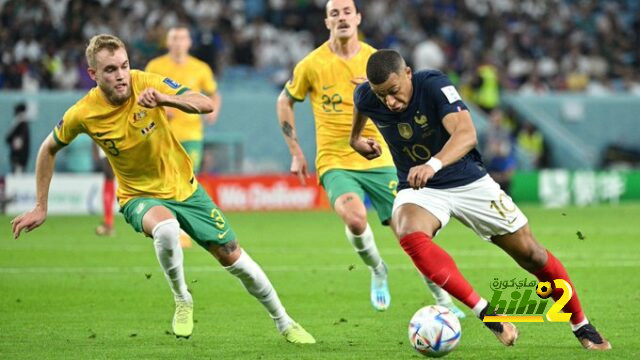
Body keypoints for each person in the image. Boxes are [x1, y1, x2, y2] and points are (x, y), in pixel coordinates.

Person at [10, 34, 315, 344]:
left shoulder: (147, 83)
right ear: (93, 74)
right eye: (111, 70)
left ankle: (284, 321)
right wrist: (40, 205)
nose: (121, 76)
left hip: (185, 188)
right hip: (138, 196)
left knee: (234, 257)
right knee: (167, 229)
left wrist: (166, 99)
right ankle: (182, 296)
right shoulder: (83, 113)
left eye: (124, 66)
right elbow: (48, 148)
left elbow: (205, 103)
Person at [350, 49, 610, 350]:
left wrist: (433, 164)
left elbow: (466, 134)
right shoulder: (368, 96)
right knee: (407, 230)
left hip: (468, 180)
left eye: (394, 92)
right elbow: (361, 103)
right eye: (382, 96)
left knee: (533, 255)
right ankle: (488, 315)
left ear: (408, 73)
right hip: (421, 188)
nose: (389, 102)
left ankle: (581, 324)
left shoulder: (433, 84)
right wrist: (355, 139)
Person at [276, 0, 463, 316]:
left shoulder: (375, 63)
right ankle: (378, 269)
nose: (342, 18)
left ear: (358, 17)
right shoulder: (311, 64)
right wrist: (296, 152)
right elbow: (285, 101)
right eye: (334, 13)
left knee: (410, 234)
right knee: (355, 217)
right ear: (326, 22)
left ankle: (442, 300)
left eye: (347, 11)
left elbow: (404, 101)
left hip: (379, 159)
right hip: (335, 159)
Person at [145, 25, 222, 248]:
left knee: (187, 179)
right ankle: (167, 225)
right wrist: (158, 109)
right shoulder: (155, 66)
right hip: (163, 134)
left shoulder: (201, 68)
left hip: (191, 134)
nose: (178, 42)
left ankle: (182, 229)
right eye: (174, 38)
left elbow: (214, 93)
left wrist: (214, 109)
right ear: (168, 43)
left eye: (182, 38)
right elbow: (143, 95)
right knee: (166, 180)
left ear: (189, 42)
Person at [93, 144, 116, 236]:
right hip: (105, 143)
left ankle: (108, 224)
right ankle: (108, 223)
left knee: (109, 177)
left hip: (111, 143)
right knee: (109, 178)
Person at [5, 103, 30, 174]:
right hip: (19, 158)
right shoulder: (20, 124)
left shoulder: (21, 125)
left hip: (19, 158)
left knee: (18, 176)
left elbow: (10, 138)